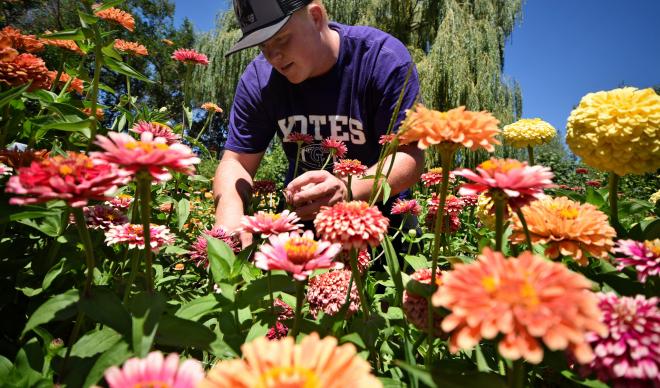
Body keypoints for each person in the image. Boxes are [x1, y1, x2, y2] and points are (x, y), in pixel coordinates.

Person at [214, 0, 424, 246]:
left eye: (280, 38)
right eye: (263, 45)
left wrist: (349, 189)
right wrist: (228, 226)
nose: (273, 56)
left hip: (384, 221)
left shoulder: (382, 58)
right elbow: (236, 162)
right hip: (302, 224)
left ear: (315, 17)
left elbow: (410, 154)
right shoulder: (258, 80)